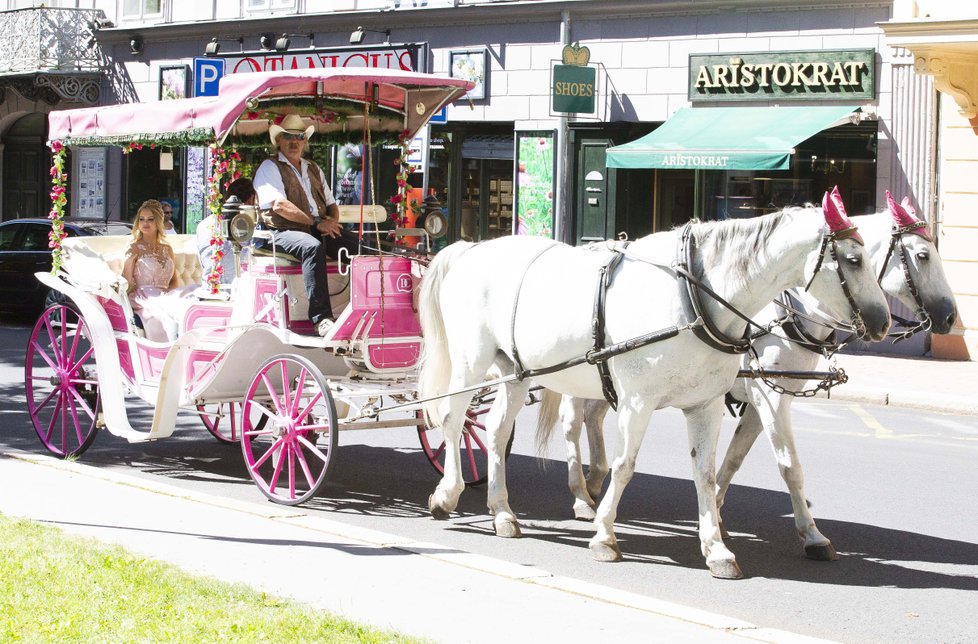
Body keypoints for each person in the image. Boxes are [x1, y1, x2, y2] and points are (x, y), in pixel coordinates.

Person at [253, 114, 359, 336]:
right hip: (282, 231)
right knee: (311, 247)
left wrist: (332, 222)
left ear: (304, 141)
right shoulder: (269, 167)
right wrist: (316, 223)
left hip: (315, 227)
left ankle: (360, 309)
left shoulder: (313, 168)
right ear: (279, 141)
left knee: (359, 247)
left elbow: (331, 203)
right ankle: (321, 318)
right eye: (288, 137)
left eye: (299, 137)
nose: (294, 142)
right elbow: (279, 205)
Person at [122, 199, 197, 342]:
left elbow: (174, 281)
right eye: (142, 219)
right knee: (160, 314)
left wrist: (172, 298)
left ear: (158, 222)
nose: (145, 223)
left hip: (165, 294)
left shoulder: (166, 248)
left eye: (150, 219)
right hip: (143, 297)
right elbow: (126, 282)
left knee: (193, 293)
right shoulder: (133, 247)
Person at [196, 178, 255, 285]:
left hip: (208, 287)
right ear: (251, 200)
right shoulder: (247, 226)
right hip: (238, 291)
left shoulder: (203, 225)